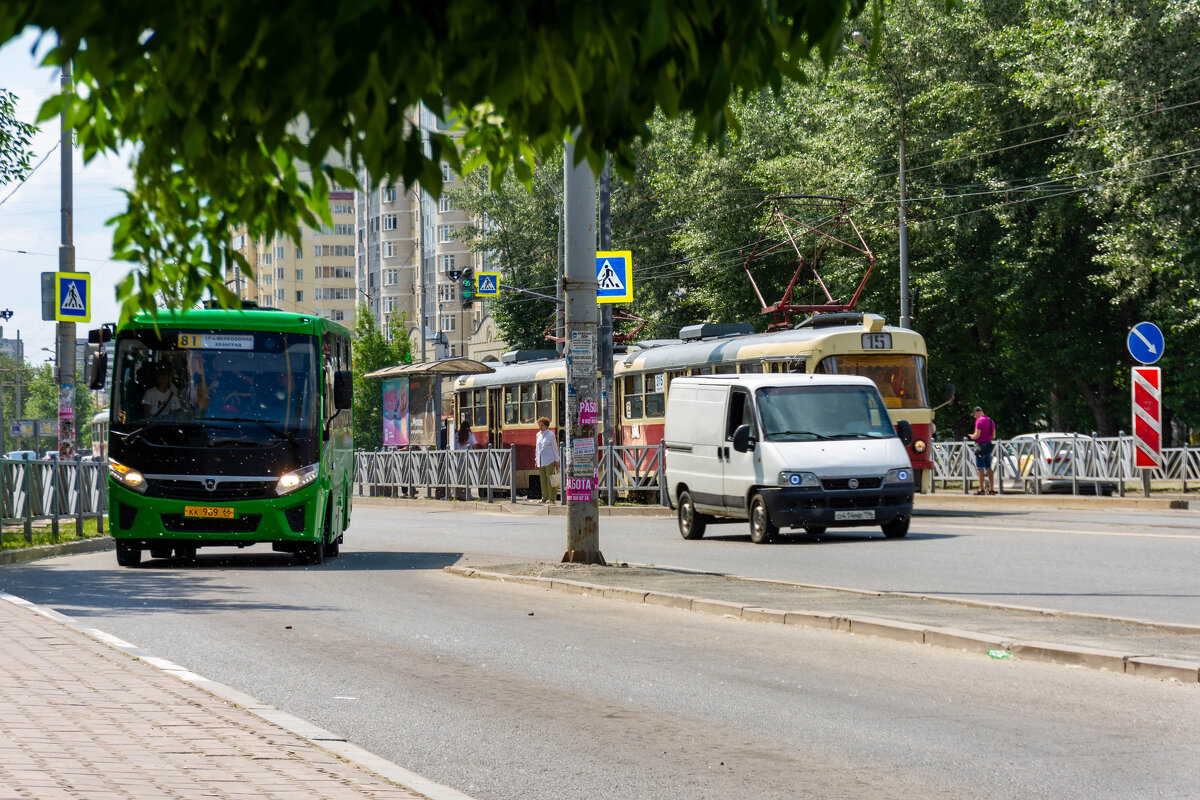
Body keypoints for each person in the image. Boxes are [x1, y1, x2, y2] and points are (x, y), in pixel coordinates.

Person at [969, 405, 996, 495]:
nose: (974, 416)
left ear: (976, 412)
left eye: (974, 415)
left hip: (980, 446)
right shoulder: (991, 421)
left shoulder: (979, 421)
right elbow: (993, 436)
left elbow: (977, 435)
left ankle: (981, 489)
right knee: (989, 468)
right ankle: (991, 489)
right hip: (988, 445)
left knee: (980, 468)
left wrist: (973, 436)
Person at [534, 416, 559, 504]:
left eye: (542, 425)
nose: (540, 427)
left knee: (550, 478)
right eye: (539, 425)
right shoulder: (538, 435)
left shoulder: (551, 434)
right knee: (543, 479)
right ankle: (544, 497)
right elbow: (537, 448)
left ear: (546, 426)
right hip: (541, 459)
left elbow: (555, 448)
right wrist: (536, 459)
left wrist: (557, 460)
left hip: (549, 459)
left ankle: (552, 498)